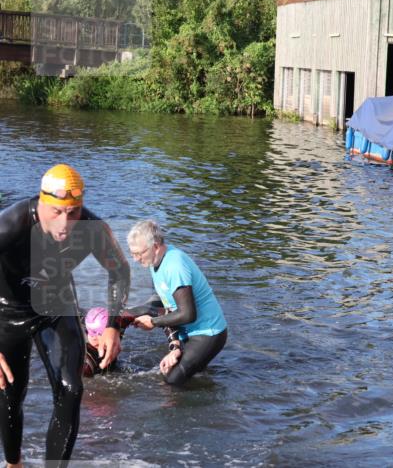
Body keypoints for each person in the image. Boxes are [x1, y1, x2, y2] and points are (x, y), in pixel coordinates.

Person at [0, 164, 130, 468]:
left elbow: (120, 272)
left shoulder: (92, 229)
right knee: (10, 394)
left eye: (73, 212)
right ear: (41, 203)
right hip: (7, 310)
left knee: (71, 388)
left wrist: (112, 325)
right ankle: (14, 464)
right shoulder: (11, 225)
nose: (65, 223)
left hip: (55, 306)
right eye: (57, 211)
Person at [127, 220, 227, 386]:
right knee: (181, 374)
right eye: (132, 254)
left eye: (139, 253)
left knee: (171, 380)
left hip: (208, 333)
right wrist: (175, 346)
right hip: (188, 331)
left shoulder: (174, 265)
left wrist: (153, 322)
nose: (136, 260)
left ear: (156, 246)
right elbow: (168, 307)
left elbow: (187, 314)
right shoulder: (154, 262)